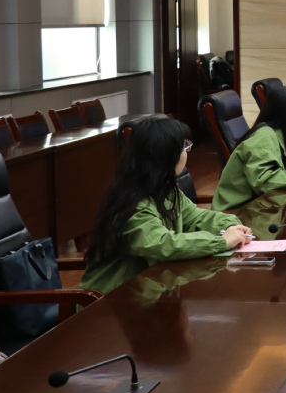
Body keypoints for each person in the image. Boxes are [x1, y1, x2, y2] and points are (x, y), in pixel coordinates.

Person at [81, 116, 251, 295]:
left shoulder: (163, 189)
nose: (187, 152)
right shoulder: (132, 202)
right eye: (184, 146)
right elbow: (161, 244)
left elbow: (196, 217)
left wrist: (229, 225)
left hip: (147, 290)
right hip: (111, 300)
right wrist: (221, 242)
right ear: (166, 155)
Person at [213, 86, 286, 210]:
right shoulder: (263, 139)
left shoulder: (278, 133)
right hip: (238, 212)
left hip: (261, 207)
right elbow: (265, 182)